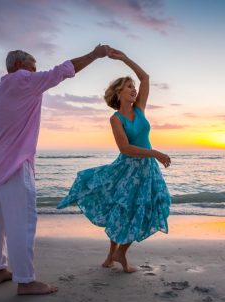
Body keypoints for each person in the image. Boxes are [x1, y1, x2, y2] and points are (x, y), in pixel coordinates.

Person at [0, 44, 112, 295]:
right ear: (19, 67)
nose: (35, 73)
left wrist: (2, 153)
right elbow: (62, 71)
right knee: (23, 223)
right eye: (33, 68)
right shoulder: (23, 81)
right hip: (16, 165)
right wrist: (94, 55)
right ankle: (25, 281)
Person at [57, 49, 171, 273]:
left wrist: (125, 59)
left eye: (133, 87)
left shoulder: (140, 109)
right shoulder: (115, 118)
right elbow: (125, 148)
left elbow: (145, 78)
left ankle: (116, 254)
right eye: (129, 86)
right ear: (119, 93)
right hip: (128, 168)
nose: (134, 89)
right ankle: (116, 254)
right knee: (122, 208)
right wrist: (155, 153)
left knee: (143, 208)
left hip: (147, 170)